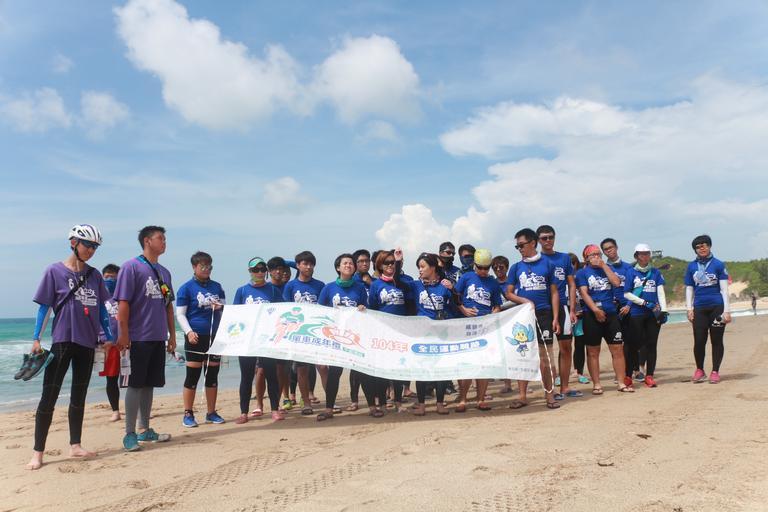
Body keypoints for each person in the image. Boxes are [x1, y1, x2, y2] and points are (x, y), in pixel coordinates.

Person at [27, 225, 113, 470]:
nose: (91, 251)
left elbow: (102, 310)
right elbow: (44, 308)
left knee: (79, 396)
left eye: (95, 247)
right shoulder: (54, 271)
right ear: (74, 242)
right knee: (49, 396)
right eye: (88, 245)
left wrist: (108, 336)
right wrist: (36, 338)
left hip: (87, 343)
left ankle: (75, 445)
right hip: (62, 342)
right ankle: (38, 453)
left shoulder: (95, 275)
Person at [114, 226, 175, 452]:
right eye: (161, 238)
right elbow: (123, 303)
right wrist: (123, 334)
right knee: (135, 384)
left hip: (158, 337)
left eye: (165, 239)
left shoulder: (164, 272)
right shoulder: (131, 267)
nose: (164, 242)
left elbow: (168, 306)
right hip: (137, 337)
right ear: (147, 241)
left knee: (150, 384)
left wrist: (172, 335)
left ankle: (145, 428)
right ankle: (129, 433)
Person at [505, 229, 561, 410]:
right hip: (523, 315)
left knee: (545, 357)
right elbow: (508, 293)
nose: (519, 249)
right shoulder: (516, 267)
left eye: (521, 245)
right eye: (517, 246)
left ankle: (549, 394)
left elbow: (554, 292)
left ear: (533, 243)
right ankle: (522, 396)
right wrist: (524, 301)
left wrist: (555, 318)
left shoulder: (548, 264)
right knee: (523, 355)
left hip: (544, 314)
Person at [176, 251, 226, 427]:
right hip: (195, 337)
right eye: (203, 266)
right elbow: (180, 314)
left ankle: (211, 412)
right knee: (192, 376)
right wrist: (189, 332)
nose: (206, 269)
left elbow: (225, 310)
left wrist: (221, 307)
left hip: (214, 337)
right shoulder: (186, 288)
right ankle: (188, 413)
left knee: (212, 376)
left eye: (209, 266)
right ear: (194, 267)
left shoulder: (217, 287)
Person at [317, 254, 369, 421]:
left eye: (351, 263)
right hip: (336, 337)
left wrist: (362, 308)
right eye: (345, 263)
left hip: (354, 337)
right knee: (334, 373)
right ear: (338, 268)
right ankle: (329, 408)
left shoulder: (359, 288)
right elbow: (320, 312)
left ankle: (373, 407)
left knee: (362, 371)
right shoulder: (328, 288)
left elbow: (366, 308)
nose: (348, 265)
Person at [232, 257, 284, 423]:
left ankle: (275, 409)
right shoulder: (242, 291)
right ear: (250, 271)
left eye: (262, 269)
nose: (259, 272)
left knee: (271, 375)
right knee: (247, 377)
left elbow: (282, 313)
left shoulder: (273, 291)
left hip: (267, 340)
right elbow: (235, 316)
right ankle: (244, 413)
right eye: (256, 270)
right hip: (247, 341)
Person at [576, 244, 632, 394]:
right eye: (592, 255)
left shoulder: (608, 268)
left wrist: (604, 266)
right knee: (593, 351)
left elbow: (617, 283)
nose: (596, 257)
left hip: (611, 313)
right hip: (591, 314)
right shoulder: (582, 273)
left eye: (598, 254)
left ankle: (621, 382)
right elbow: (583, 293)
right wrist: (595, 310)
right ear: (586, 258)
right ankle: (597, 384)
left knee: (617, 349)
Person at [454, 249, 502, 412]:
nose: (483, 271)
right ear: (475, 265)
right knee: (467, 363)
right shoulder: (466, 277)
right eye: (480, 267)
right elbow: (455, 296)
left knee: (484, 364)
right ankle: (463, 399)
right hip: (467, 327)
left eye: (486, 268)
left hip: (485, 328)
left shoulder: (493, 283)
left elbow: (497, 304)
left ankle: (481, 399)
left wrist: (494, 314)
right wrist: (463, 309)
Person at [537, 225, 581, 400]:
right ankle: (550, 389)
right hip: (543, 309)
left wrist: (572, 309)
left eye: (550, 237)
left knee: (566, 347)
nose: (548, 240)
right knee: (545, 352)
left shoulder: (564, 258)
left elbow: (572, 284)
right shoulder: (536, 260)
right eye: (544, 238)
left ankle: (565, 386)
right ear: (538, 241)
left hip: (563, 307)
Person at [368, 249, 414, 412]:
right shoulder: (376, 285)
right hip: (383, 333)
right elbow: (373, 309)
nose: (390, 265)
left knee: (398, 369)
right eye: (386, 263)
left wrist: (399, 260)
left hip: (400, 332)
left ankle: (398, 403)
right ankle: (381, 403)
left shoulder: (401, 284)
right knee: (383, 370)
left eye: (392, 263)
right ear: (380, 265)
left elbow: (410, 305)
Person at [410, 253, 454, 416]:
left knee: (441, 369)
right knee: (422, 369)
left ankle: (440, 403)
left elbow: (456, 305)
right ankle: (421, 404)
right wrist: (398, 262)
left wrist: (453, 289)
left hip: (441, 334)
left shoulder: (444, 286)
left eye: (423, 266)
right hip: (422, 334)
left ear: (433, 267)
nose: (420, 270)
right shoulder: (416, 286)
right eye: (418, 267)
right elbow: (398, 283)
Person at [283, 250, 325, 415]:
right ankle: (306, 403)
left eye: (311, 264)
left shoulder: (320, 285)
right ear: (298, 266)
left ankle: (331, 402)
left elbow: (325, 309)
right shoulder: (290, 286)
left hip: (317, 332)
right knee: (302, 369)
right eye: (305, 264)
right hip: (299, 334)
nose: (308, 267)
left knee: (323, 367)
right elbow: (286, 309)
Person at [684, 235, 730, 384]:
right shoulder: (691, 266)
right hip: (699, 308)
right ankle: (700, 370)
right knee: (699, 340)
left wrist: (726, 311)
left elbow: (724, 290)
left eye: (704, 245)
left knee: (716, 340)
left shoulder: (718, 264)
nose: (701, 249)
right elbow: (689, 288)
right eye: (698, 247)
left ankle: (715, 371)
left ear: (709, 246)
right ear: (695, 250)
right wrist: (689, 309)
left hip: (717, 307)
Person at [623, 244, 667, 388]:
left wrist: (664, 310)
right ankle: (628, 375)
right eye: (641, 254)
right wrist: (643, 303)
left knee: (651, 344)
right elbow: (627, 293)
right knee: (633, 345)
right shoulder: (631, 272)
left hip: (653, 314)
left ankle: (649, 376)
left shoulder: (655, 272)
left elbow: (660, 292)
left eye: (647, 253)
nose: (645, 256)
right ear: (636, 256)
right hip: (636, 313)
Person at [600, 238, 636, 380]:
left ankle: (632, 370)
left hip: (627, 307)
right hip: (611, 308)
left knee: (629, 340)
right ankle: (620, 373)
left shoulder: (628, 267)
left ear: (616, 247)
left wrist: (629, 305)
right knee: (615, 343)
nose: (609, 250)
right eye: (606, 249)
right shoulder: (602, 268)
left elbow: (635, 288)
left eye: (611, 247)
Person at [347, 249, 373, 411]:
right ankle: (354, 399)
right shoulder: (353, 282)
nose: (364, 263)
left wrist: (371, 283)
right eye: (361, 261)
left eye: (367, 261)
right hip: (354, 330)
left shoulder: (373, 280)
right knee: (355, 366)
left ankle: (378, 397)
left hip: (372, 327)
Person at [100, 263, 122, 422]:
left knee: (133, 379)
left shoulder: (125, 297)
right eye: (106, 277)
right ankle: (115, 410)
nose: (109, 279)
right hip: (108, 345)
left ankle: (139, 409)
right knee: (111, 379)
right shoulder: (99, 299)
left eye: (113, 277)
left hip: (127, 344)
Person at [491, 255, 514, 394]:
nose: (498, 270)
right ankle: (507, 384)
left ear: (506, 267)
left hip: (514, 320)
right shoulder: (491, 283)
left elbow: (518, 299)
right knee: (503, 355)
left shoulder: (513, 282)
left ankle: (524, 384)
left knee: (518, 352)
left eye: (501, 267)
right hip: (499, 323)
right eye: (495, 268)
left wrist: (501, 307)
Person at [568, 253, 590, 385]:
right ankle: (563, 374)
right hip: (566, 315)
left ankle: (579, 371)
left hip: (581, 315)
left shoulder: (582, 275)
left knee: (580, 344)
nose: (571, 266)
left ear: (576, 264)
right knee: (565, 345)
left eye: (573, 263)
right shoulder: (562, 278)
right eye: (568, 264)